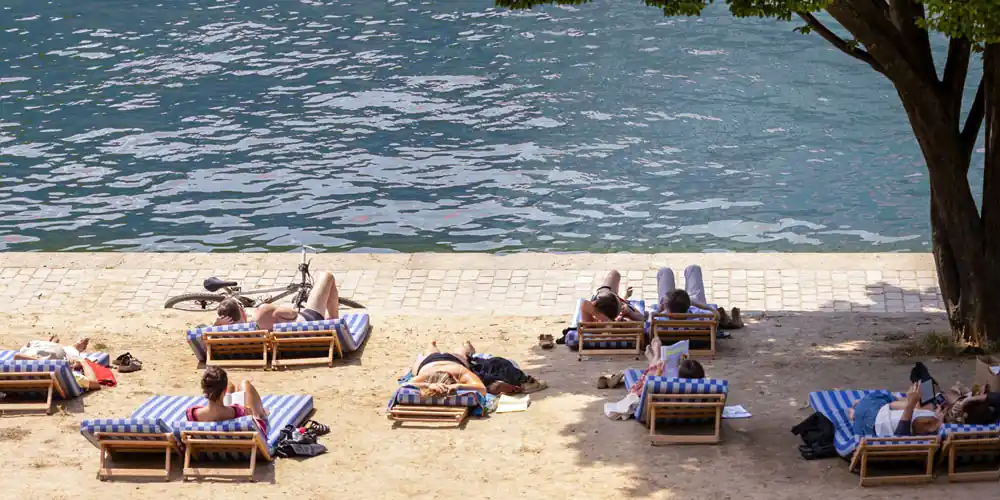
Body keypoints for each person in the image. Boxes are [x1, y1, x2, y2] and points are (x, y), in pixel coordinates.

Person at [210, 271, 340, 330]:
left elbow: (203, 335)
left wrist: (216, 325)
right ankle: (334, 321)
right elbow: (293, 313)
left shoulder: (224, 335)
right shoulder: (262, 314)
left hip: (287, 347)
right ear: (242, 311)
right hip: (310, 325)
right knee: (327, 276)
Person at [187, 366, 269, 435]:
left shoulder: (192, 414)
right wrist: (253, 415)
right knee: (244, 384)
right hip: (244, 431)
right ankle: (262, 412)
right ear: (225, 391)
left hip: (210, 439)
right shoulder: (241, 412)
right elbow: (256, 429)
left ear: (204, 389)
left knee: (230, 385)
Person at [655, 265, 742, 328]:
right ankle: (691, 271)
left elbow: (648, 320)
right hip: (693, 323)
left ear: (665, 307)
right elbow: (717, 315)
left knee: (665, 271)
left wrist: (659, 309)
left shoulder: (657, 321)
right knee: (693, 268)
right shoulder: (704, 319)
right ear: (688, 305)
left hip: (669, 323)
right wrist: (697, 304)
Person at [848, 383, 942, 437]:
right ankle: (856, 410)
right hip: (867, 429)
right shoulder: (928, 419)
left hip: (870, 417)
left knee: (879, 397)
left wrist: (910, 403)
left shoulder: (910, 419)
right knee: (886, 400)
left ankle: (856, 408)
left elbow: (901, 435)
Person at [13, 336, 102, 391]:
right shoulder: (62, 370)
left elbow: (17, 356)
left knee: (58, 352)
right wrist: (83, 362)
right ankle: (73, 348)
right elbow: (95, 383)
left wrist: (42, 360)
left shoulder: (23, 363)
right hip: (49, 356)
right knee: (65, 353)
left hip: (33, 351)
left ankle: (52, 345)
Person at [408, 341, 487, 397]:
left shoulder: (459, 372)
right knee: (460, 354)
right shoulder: (426, 375)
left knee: (460, 354)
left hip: (441, 362)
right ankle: (465, 346)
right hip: (432, 363)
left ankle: (432, 345)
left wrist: (457, 386)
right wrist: (428, 385)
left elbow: (406, 384)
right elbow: (482, 388)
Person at [579, 270, 646, 323]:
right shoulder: (623, 322)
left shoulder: (590, 324)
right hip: (614, 308)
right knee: (615, 274)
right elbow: (643, 320)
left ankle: (618, 297)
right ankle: (622, 298)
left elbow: (584, 303)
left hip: (608, 306)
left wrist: (601, 316)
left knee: (614, 274)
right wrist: (629, 313)